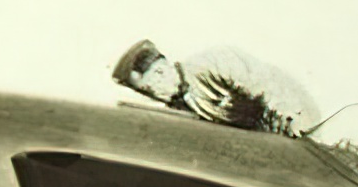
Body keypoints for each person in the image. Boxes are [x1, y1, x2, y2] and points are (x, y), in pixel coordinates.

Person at [112, 39, 323, 137]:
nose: (155, 98)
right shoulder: (181, 105)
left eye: (150, 89)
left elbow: (266, 86)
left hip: (301, 120)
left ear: (160, 71)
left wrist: (291, 118)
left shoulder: (212, 63)